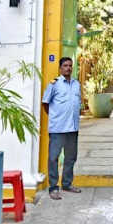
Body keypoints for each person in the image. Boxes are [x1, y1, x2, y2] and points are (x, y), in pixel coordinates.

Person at [41, 57, 82, 200]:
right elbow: (45, 103)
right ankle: (53, 188)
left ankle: (67, 184)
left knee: (71, 157)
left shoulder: (76, 84)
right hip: (58, 128)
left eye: (70, 65)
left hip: (73, 128)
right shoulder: (54, 84)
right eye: (65, 65)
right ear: (60, 68)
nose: (68, 68)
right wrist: (55, 116)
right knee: (53, 158)